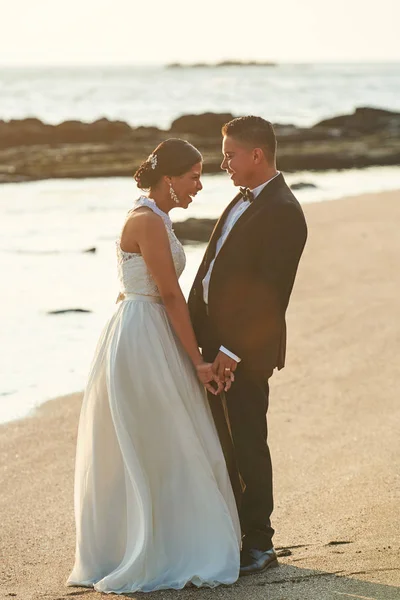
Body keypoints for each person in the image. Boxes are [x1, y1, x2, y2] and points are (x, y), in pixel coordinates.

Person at [67, 138, 240, 594]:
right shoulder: (145, 220)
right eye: (194, 177)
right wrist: (199, 361)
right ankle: (149, 548)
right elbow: (167, 294)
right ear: (169, 178)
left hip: (147, 328)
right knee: (159, 438)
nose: (199, 186)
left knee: (169, 438)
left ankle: (167, 536)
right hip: (144, 338)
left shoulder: (155, 217)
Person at [188, 116, 308, 576]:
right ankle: (231, 532)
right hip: (211, 345)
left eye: (230, 154)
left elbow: (272, 291)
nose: (224, 163)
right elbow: (212, 268)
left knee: (247, 445)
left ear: (257, 155)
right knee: (220, 444)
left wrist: (232, 351)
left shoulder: (282, 209)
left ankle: (259, 541)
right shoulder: (241, 200)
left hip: (242, 353)